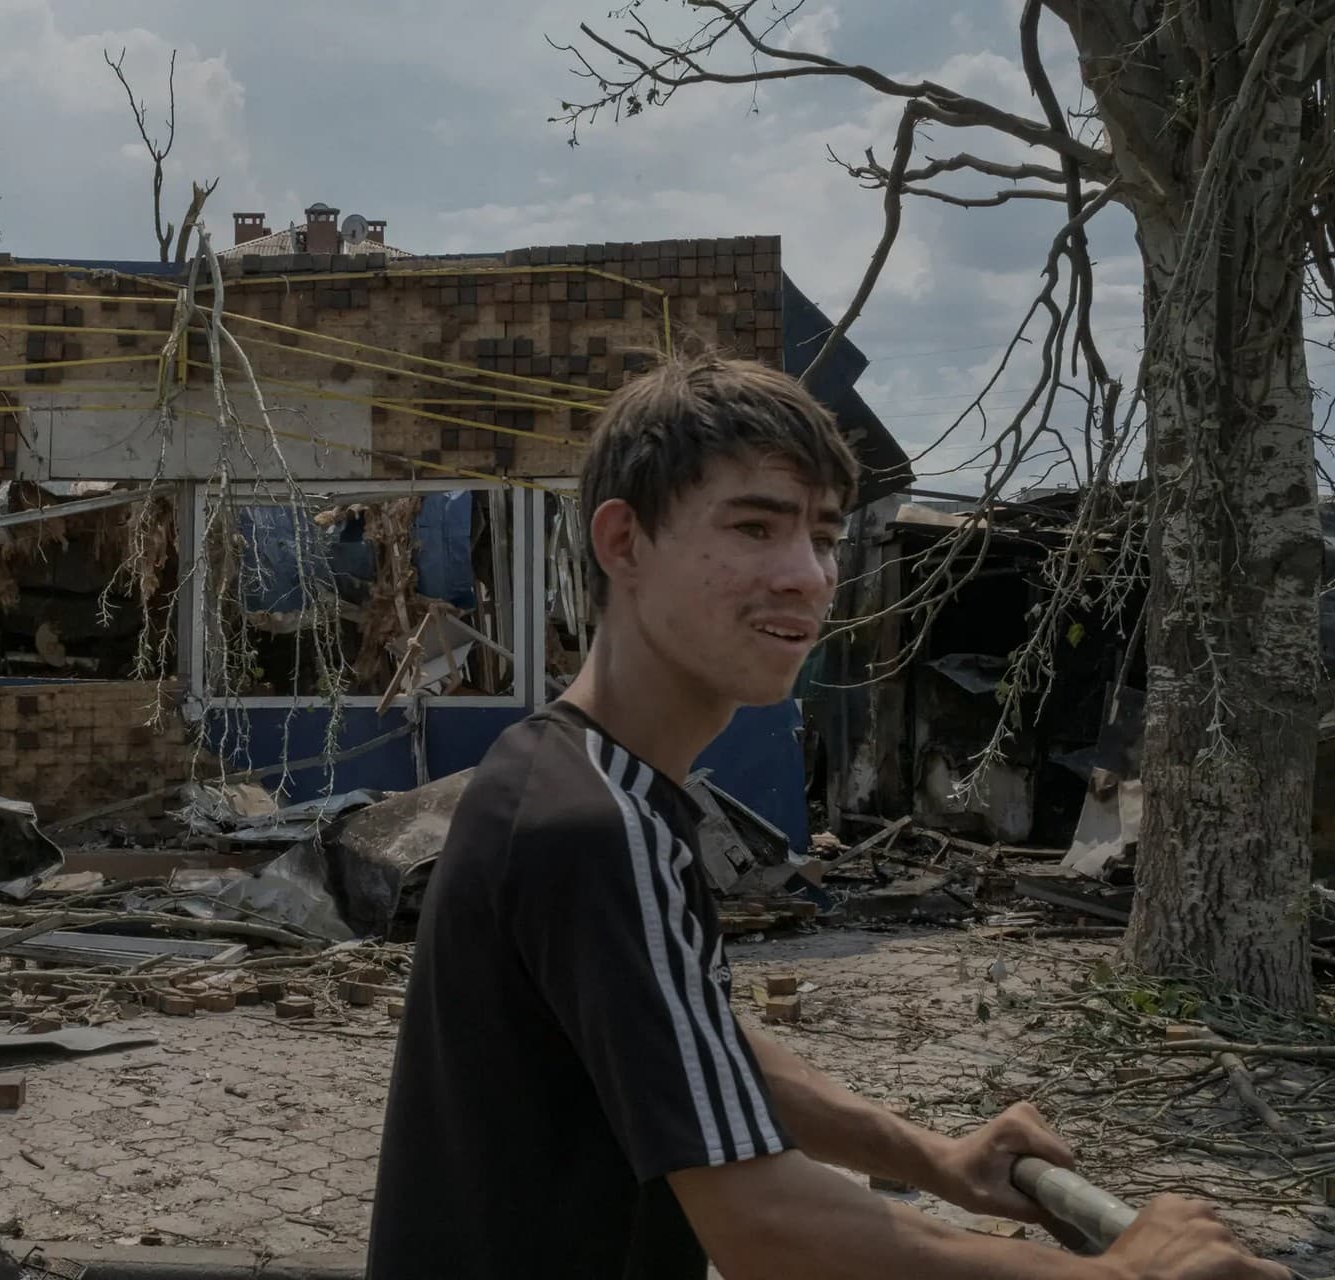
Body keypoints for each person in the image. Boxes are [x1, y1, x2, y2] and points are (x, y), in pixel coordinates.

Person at [365, 351, 1287, 1280]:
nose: (807, 576)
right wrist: (1122, 1276)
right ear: (624, 543)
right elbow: (762, 1226)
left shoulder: (547, 770)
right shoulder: (595, 824)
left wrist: (935, 1159)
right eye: (756, 527)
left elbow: (697, 1041)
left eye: (824, 535)